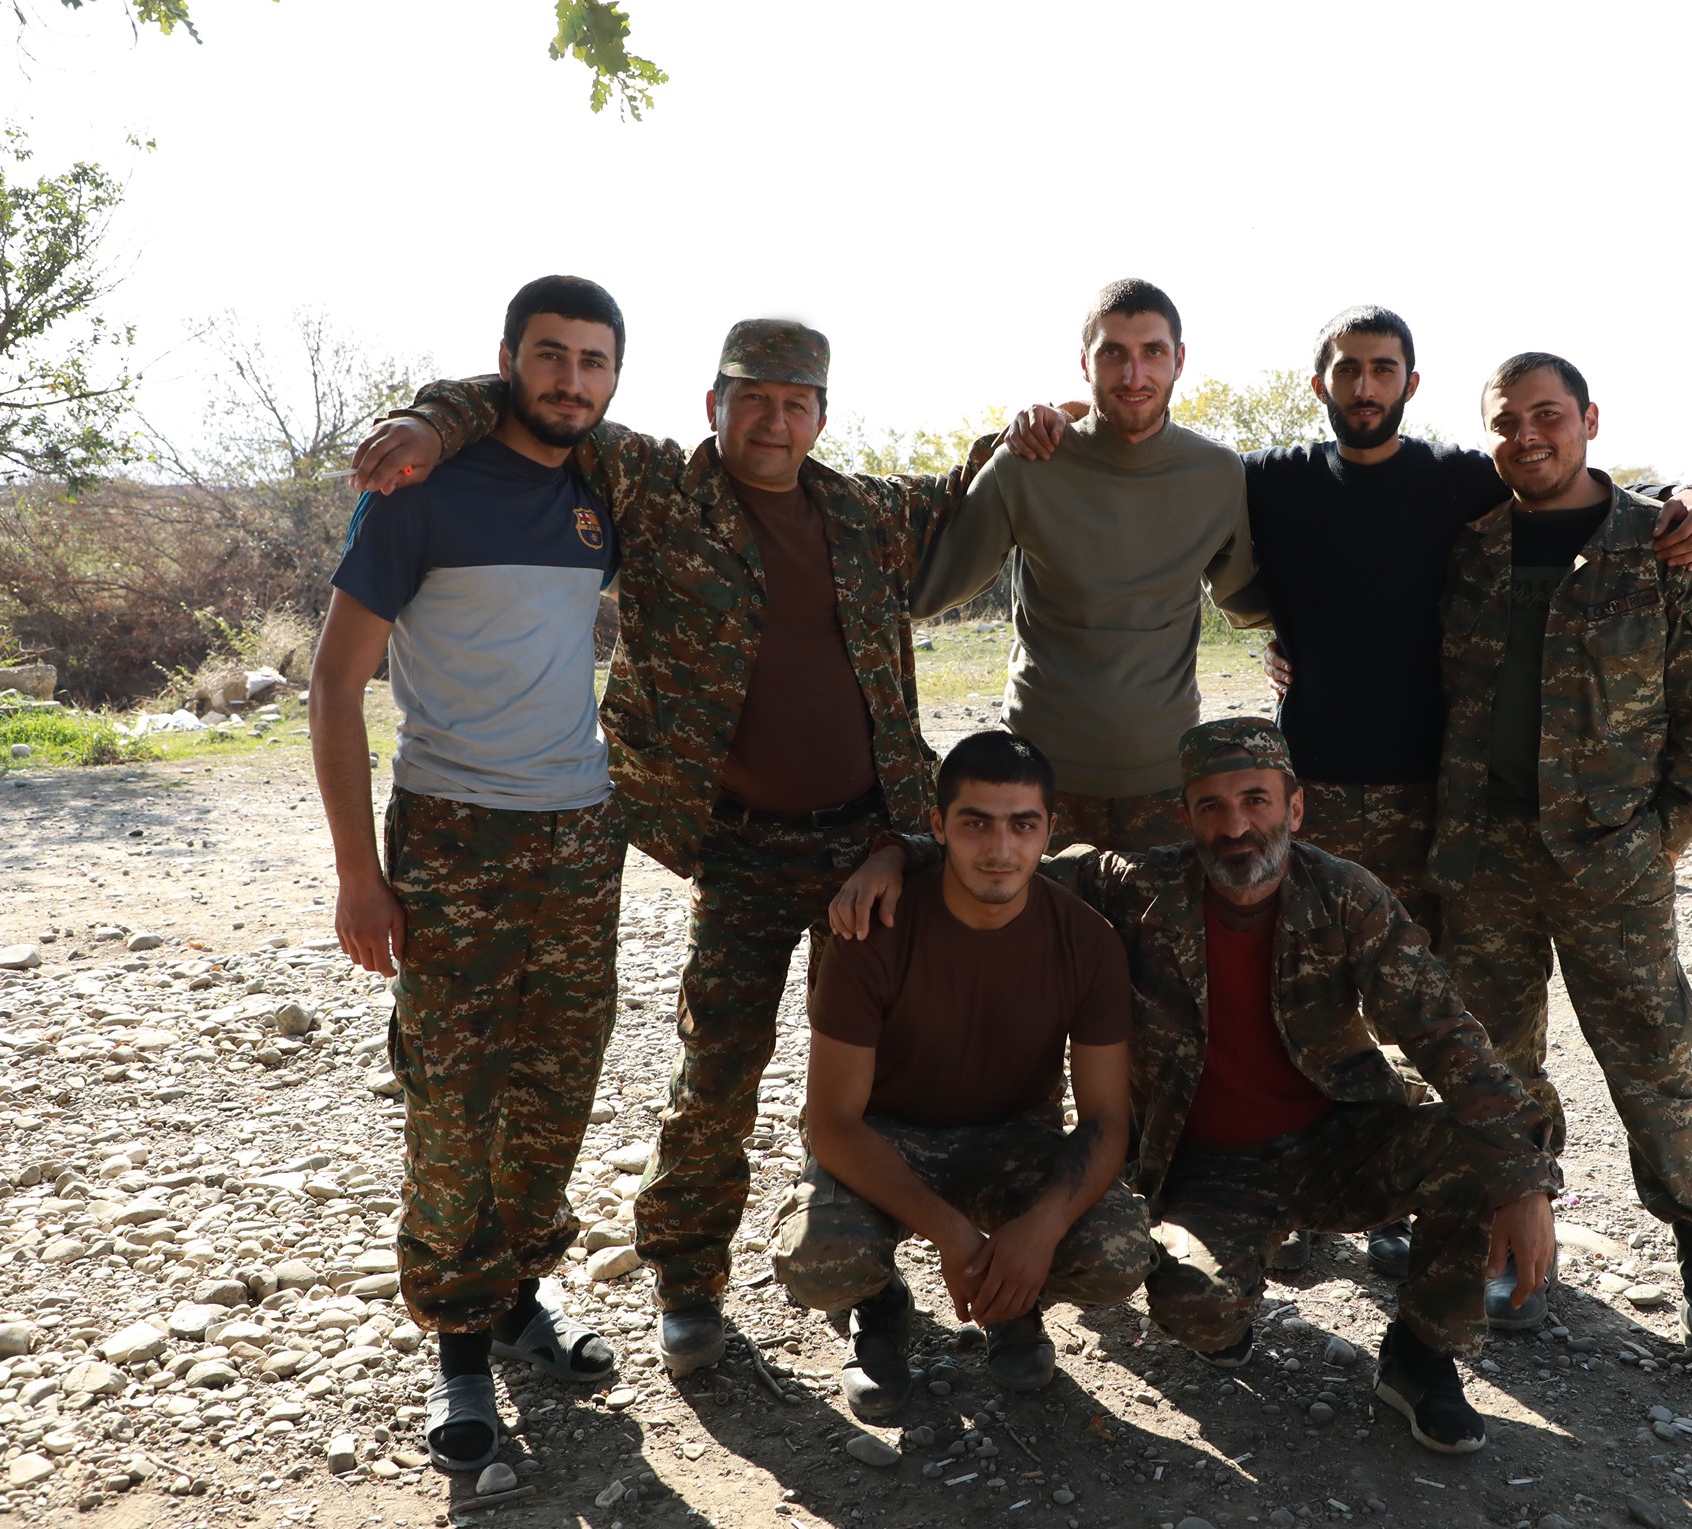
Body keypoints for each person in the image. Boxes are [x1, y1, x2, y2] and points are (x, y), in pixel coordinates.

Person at [1003, 305, 1692, 1278]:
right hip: (1311, 798)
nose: (1366, 386)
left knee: (1441, 1012)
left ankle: (1480, 1209)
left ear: (1410, 384)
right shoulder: (1269, 480)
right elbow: (1151, 460)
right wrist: (1049, 421)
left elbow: (1574, 484)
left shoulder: (1457, 479)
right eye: (1348, 369)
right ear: (1321, 384)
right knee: (1305, 1006)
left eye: (1383, 369)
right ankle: (1314, 1190)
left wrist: (1684, 493)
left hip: (1437, 805)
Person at [347, 320, 991, 1379]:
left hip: (866, 848)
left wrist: (1035, 429)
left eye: (795, 403)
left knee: (871, 1075)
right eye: (752, 399)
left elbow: (976, 486)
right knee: (717, 1071)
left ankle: (865, 1279)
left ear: (821, 417)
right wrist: (429, 418)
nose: (773, 422)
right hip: (734, 846)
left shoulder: (867, 512)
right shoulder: (655, 489)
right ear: (713, 405)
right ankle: (689, 1277)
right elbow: (540, 396)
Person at [832, 719, 1561, 1454]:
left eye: (1256, 800)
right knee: (1197, 1309)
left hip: (1342, 1143)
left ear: (1295, 808)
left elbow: (1449, 1036)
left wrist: (1525, 1184)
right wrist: (895, 854)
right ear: (1185, 817)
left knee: (1484, 1150)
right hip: (1208, 1167)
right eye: (1212, 806)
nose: (1236, 826)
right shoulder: (1137, 888)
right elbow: (1002, 853)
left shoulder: (1347, 898)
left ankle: (1422, 1355)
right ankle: (1236, 1288)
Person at [312, 275, 628, 1473]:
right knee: (453, 1100)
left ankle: (516, 1297)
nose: (570, 380)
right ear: (508, 361)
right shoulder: (420, 487)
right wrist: (358, 872)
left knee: (555, 1087)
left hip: (579, 834)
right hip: (453, 836)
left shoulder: (604, 490)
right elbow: (334, 683)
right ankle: (457, 1342)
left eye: (592, 361)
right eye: (550, 355)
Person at [1425, 351, 1692, 1406]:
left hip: (1611, 857)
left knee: (1655, 1068)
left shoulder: (1660, 542)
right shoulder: (1470, 547)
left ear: (1588, 419)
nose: (1526, 436)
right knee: (1496, 1063)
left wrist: (1662, 835)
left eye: (1547, 415)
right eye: (1505, 421)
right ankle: (1512, 1252)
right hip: (1486, 853)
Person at [770, 731, 1152, 1420]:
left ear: (1049, 831)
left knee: (1116, 1252)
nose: (1000, 848)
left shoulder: (1087, 940)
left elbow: (1105, 1119)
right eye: (976, 823)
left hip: (1014, 1135)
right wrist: (952, 1233)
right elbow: (832, 1122)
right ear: (939, 826)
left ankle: (1014, 1299)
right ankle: (877, 1303)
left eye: (1022, 825)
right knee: (818, 1257)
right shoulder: (873, 931)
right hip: (887, 1136)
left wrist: (1040, 1229)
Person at [909, 277, 1270, 853]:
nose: (1134, 375)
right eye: (1113, 353)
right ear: (1085, 362)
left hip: (1167, 780)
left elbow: (1247, 602)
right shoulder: (1026, 465)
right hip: (1039, 781)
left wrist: (1309, 638)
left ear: (1179, 360)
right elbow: (928, 593)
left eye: (1153, 352)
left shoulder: (1219, 474)